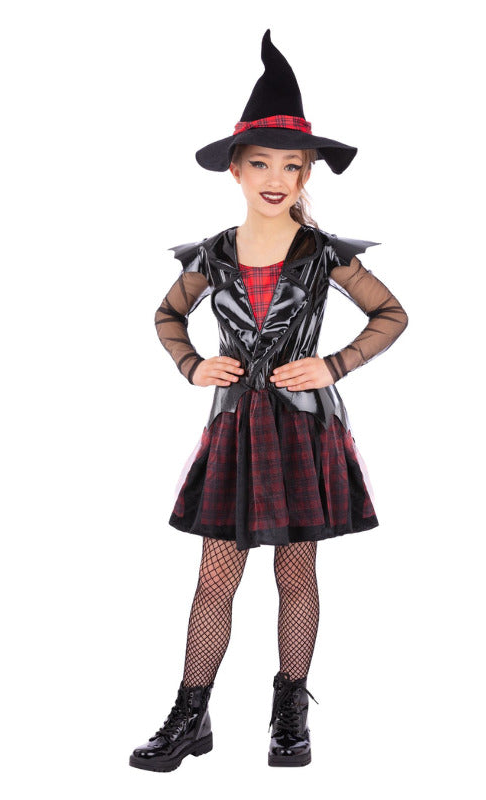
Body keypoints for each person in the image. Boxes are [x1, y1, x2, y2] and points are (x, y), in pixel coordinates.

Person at [129, 28, 409, 773]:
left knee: (295, 571)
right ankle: (191, 713)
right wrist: (193, 365)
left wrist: (333, 365)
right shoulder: (213, 254)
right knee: (214, 574)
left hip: (302, 430)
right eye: (261, 163)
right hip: (233, 429)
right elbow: (166, 314)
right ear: (236, 170)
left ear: (308, 171)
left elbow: (391, 314)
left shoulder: (324, 253)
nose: (276, 177)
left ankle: (290, 713)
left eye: (292, 165)